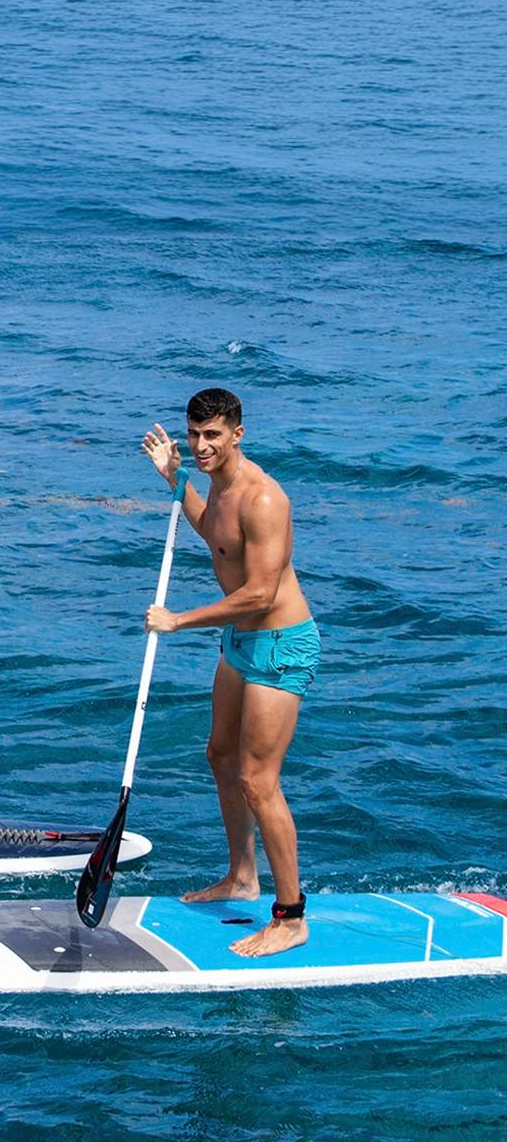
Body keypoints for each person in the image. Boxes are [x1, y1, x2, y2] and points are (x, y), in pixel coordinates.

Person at [142, 388, 320, 957]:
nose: (200, 446)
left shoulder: (263, 498)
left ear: (238, 433)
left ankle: (291, 918)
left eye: (212, 436)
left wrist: (179, 621)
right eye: (193, 435)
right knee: (220, 754)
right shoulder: (216, 485)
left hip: (278, 644)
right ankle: (243, 876)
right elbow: (215, 539)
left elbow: (261, 591)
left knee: (257, 780)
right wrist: (175, 480)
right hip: (240, 642)